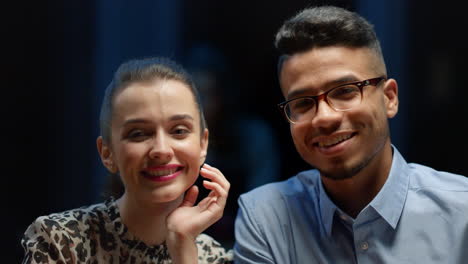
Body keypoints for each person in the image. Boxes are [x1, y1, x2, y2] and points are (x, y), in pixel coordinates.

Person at [234, 5, 468, 263]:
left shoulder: (461, 213)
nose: (324, 117)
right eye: (302, 103)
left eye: (345, 91)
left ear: (389, 98)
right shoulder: (265, 217)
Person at [21, 57, 233, 263]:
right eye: (139, 133)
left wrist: (183, 248)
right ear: (107, 153)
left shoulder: (216, 257)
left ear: (203, 144)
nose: (161, 150)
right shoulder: (60, 241)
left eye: (178, 130)